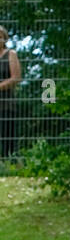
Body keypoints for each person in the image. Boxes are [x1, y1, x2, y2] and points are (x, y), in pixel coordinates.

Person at [0, 24, 21, 158]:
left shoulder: (10, 54)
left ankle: (10, 163)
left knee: (7, 136)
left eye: (0, 37)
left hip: (6, 104)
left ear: (5, 39)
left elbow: (16, 78)